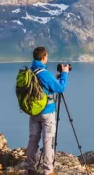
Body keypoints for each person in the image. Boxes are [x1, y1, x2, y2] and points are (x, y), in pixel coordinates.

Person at [26, 46, 70, 175]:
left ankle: (30, 168)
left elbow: (42, 86)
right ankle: (48, 170)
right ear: (44, 57)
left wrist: (54, 79)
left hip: (34, 112)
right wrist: (65, 74)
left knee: (33, 139)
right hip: (47, 112)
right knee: (47, 140)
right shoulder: (44, 73)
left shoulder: (30, 72)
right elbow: (60, 89)